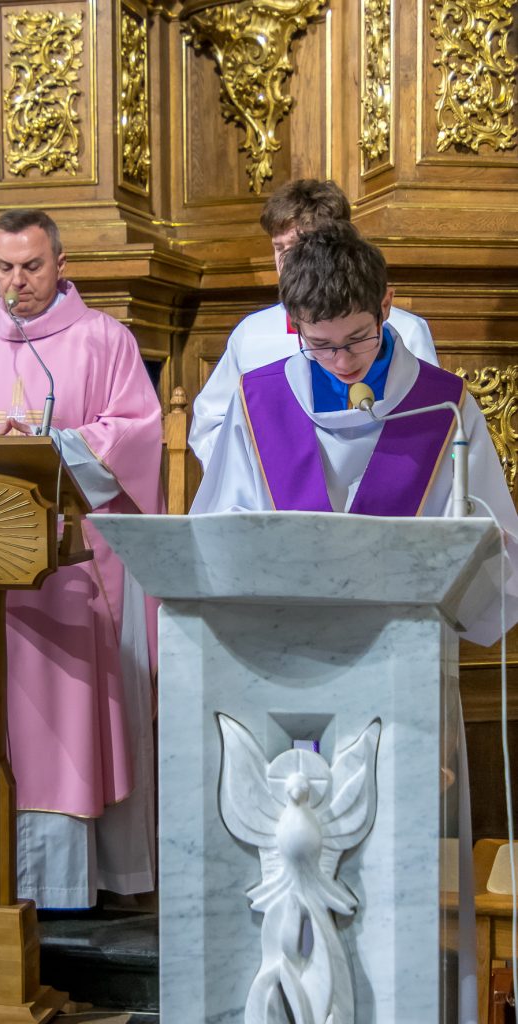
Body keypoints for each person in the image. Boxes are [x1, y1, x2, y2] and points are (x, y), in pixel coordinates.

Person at [191, 220, 518, 1024]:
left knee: (397, 860)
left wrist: (459, 545)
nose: (342, 362)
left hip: (406, 661)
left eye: (359, 341)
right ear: (292, 326)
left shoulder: (445, 407)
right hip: (282, 668)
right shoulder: (259, 401)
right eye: (322, 345)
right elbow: (219, 531)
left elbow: (495, 541)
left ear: (388, 306)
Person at [0, 209, 163, 908]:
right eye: (4, 267)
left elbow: (135, 433)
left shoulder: (103, 340)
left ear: (61, 263)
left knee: (69, 716)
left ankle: (76, 878)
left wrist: (54, 446)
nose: (16, 282)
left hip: (72, 570)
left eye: (31, 266)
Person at [189, 179, 438, 469]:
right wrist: (255, 471)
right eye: (279, 248)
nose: (286, 262)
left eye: (298, 247)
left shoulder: (405, 331)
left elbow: (430, 421)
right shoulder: (251, 334)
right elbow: (211, 423)